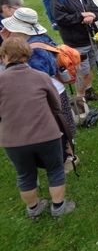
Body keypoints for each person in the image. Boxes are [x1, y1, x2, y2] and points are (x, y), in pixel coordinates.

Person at [0, 37, 76, 219]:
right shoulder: (41, 77)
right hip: (46, 134)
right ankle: (59, 207)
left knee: (25, 174)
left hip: (13, 139)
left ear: (4, 56)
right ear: (27, 55)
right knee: (55, 169)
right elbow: (56, 106)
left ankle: (33, 209)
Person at [0, 8, 78, 172]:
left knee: (57, 125)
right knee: (60, 123)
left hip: (47, 92)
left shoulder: (34, 48)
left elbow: (39, 74)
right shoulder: (40, 39)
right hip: (53, 88)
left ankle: (66, 158)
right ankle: (66, 154)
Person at [53, 0, 98, 101]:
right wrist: (81, 16)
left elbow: (95, 9)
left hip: (90, 37)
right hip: (75, 41)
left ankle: (88, 91)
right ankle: (79, 99)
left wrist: (93, 16)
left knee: (89, 67)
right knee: (82, 72)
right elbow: (60, 19)